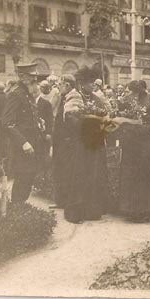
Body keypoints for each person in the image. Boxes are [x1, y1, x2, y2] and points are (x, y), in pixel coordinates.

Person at [62, 66, 112, 223]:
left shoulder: (97, 98)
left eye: (93, 83)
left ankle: (92, 210)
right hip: (80, 143)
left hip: (95, 143)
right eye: (90, 83)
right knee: (79, 174)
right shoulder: (74, 97)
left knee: (94, 175)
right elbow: (70, 118)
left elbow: (106, 116)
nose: (93, 85)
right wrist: (86, 126)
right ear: (82, 84)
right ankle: (75, 211)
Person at [114, 80, 150, 223]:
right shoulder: (126, 106)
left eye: (128, 91)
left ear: (135, 92)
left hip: (145, 148)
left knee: (143, 178)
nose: (126, 93)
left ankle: (144, 211)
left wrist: (132, 127)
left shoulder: (149, 106)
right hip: (131, 148)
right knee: (130, 177)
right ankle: (131, 210)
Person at [2, 63, 43, 204]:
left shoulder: (27, 94)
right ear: (23, 77)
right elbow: (7, 123)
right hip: (23, 146)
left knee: (28, 176)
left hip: (31, 144)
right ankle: (16, 209)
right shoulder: (16, 94)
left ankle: (19, 207)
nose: (35, 82)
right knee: (23, 177)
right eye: (32, 78)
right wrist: (23, 143)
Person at [51, 74, 77, 209]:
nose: (58, 87)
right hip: (60, 141)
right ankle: (60, 201)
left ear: (67, 85)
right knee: (60, 170)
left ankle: (66, 201)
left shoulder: (74, 97)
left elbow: (72, 122)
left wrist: (67, 139)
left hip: (67, 142)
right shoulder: (63, 97)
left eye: (60, 84)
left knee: (66, 171)